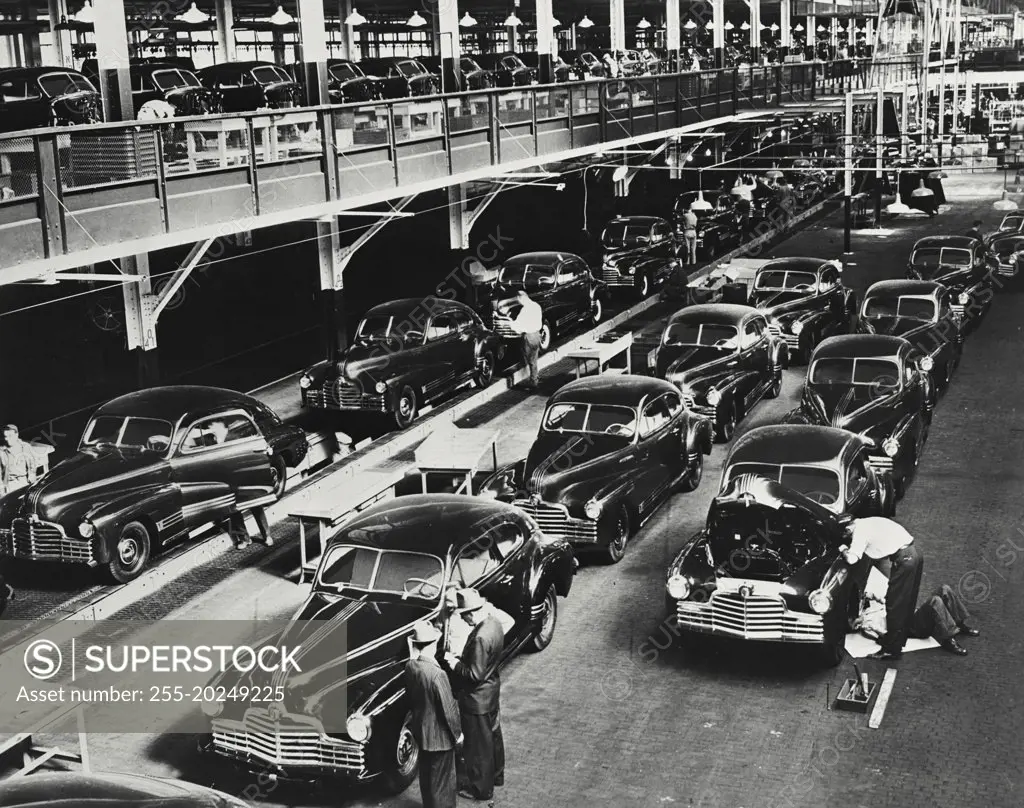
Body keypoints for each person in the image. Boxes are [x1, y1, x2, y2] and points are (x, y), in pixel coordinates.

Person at [444, 589, 505, 802]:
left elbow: (474, 674)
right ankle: (497, 776)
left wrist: (455, 663)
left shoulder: (479, 637)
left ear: (471, 612)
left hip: (476, 700)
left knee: (478, 747)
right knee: (494, 737)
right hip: (491, 693)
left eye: (463, 614)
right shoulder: (494, 623)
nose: (463, 618)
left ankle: (481, 789)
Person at [840, 516, 924, 660]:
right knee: (906, 603)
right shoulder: (869, 521)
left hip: (904, 559)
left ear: (848, 529)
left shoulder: (860, 530)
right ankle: (896, 641)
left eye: (848, 536)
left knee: (894, 604)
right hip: (914, 554)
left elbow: (852, 559)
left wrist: (843, 549)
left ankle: (891, 650)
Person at [405, 622, 463, 808]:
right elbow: (449, 710)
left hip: (422, 733)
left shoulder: (411, 666)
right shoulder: (438, 675)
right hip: (440, 739)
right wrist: (457, 734)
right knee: (443, 785)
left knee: (428, 780)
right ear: (432, 644)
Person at [857, 583, 980, 656]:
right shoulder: (867, 624)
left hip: (910, 615)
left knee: (944, 589)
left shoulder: (871, 606)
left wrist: (873, 596)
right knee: (935, 601)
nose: (863, 600)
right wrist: (870, 626)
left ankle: (959, 623)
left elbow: (886, 603)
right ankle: (948, 638)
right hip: (910, 628)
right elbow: (884, 636)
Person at [441, 584, 515, 657]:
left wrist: (491, 638)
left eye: (463, 615)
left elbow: (510, 622)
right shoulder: (460, 625)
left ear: (470, 614)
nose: (462, 617)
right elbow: (457, 652)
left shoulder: (488, 609)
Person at [508, 289, 544, 391]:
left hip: (529, 336)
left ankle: (533, 382)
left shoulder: (525, 310)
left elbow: (519, 325)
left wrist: (510, 323)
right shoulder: (537, 306)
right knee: (534, 359)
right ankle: (535, 378)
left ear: (522, 298)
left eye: (519, 300)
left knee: (530, 360)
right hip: (537, 335)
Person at [0, 425, 38, 497]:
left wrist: (32, 476)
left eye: (10, 436)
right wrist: (2, 490)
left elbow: (32, 464)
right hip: (9, 484)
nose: (7, 439)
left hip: (24, 481)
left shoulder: (25, 447)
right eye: (5, 436)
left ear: (16, 434)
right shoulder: (1, 452)